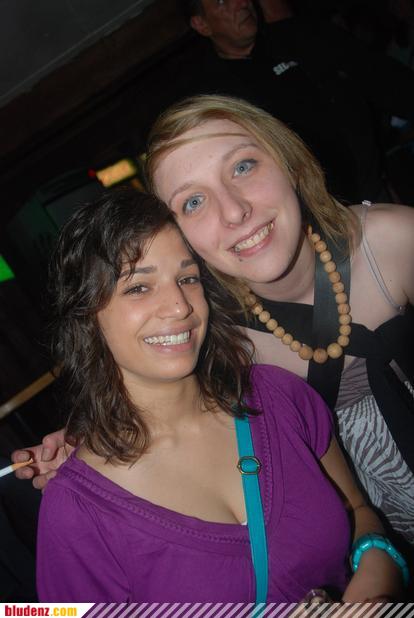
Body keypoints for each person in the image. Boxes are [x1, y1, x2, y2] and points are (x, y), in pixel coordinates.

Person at [32, 189, 404, 602]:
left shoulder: (278, 396)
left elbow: (357, 510)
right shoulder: (77, 512)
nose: (179, 306)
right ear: (86, 315)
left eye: (187, 278)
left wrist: (375, 571)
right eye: (138, 287)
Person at [143, 94, 414, 554]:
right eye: (193, 201)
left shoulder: (393, 243)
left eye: (243, 166)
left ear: (287, 161)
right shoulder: (216, 345)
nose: (233, 211)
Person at [175, 0, 414, 203]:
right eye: (222, 2)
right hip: (315, 222)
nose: (241, 3)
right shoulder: (216, 99)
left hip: (373, 194)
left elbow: (385, 80)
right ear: (202, 24)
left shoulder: (303, 36)